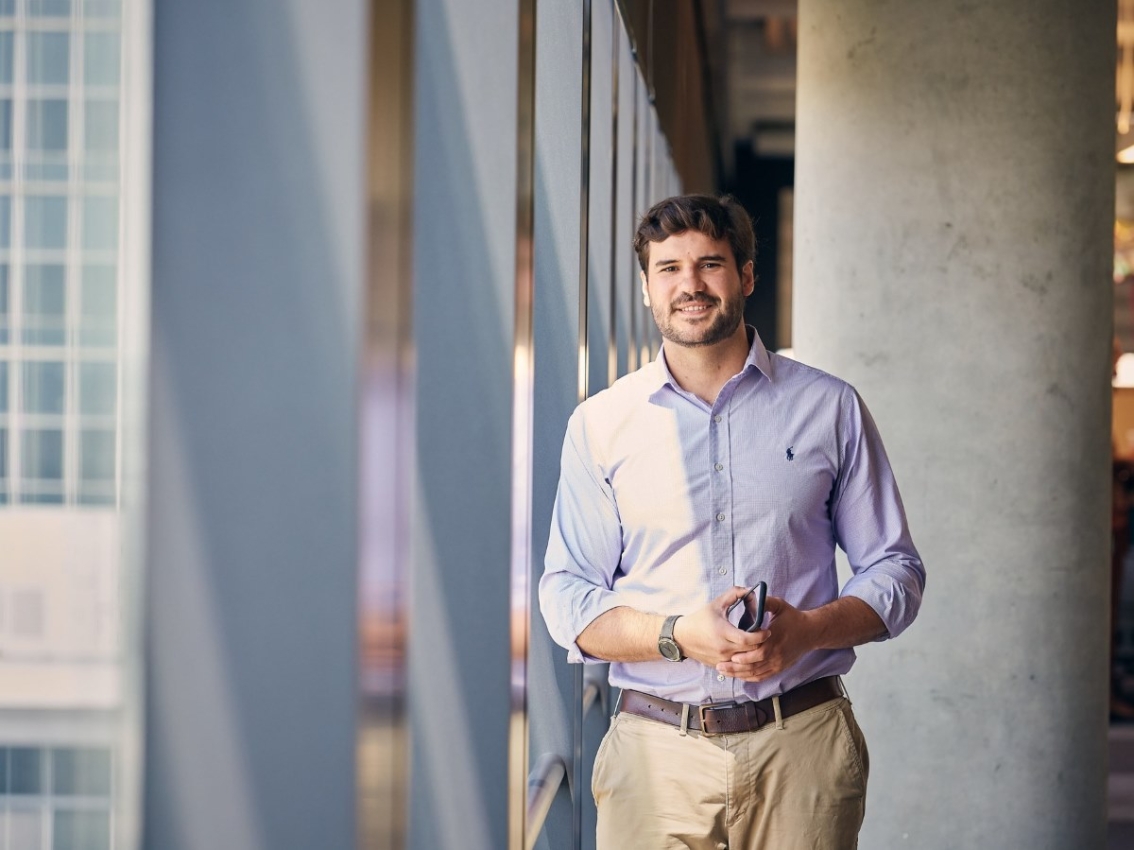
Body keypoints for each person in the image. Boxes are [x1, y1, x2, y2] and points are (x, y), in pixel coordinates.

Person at [539, 194, 926, 849]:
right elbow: (567, 596)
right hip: (654, 758)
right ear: (645, 289)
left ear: (746, 276)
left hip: (801, 744)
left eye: (709, 264)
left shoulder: (829, 408)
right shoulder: (601, 426)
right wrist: (677, 635)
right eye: (668, 269)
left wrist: (806, 632)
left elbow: (897, 571)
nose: (689, 284)